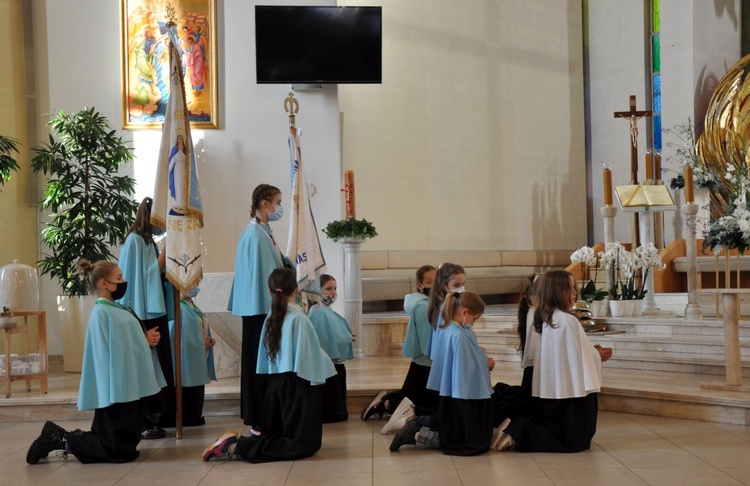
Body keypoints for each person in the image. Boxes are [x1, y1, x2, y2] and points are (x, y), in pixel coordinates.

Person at [26, 260, 162, 464]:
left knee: (124, 447)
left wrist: (145, 340)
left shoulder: (116, 309)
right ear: (103, 284)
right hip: (118, 389)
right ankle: (59, 438)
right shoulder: (102, 313)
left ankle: (62, 437)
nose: (123, 281)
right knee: (117, 450)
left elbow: (126, 342)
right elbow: (107, 354)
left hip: (130, 385)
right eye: (118, 278)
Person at [203, 268, 336, 463]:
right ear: (296, 289)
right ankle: (234, 447)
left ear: (270, 291)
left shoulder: (272, 315)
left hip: (277, 385)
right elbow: (309, 360)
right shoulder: (299, 318)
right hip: (297, 386)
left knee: (284, 438)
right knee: (302, 446)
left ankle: (238, 445)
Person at [494, 270, 613, 453]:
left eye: (575, 288)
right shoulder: (566, 320)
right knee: (574, 441)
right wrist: (597, 355)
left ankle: (518, 432)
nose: (574, 293)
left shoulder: (550, 316)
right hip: (572, 392)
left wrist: (591, 351)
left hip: (557, 389)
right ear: (556, 291)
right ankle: (518, 432)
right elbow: (578, 359)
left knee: (566, 436)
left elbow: (572, 353)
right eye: (569, 288)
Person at [390, 291, 493, 456]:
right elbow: (465, 368)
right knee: (471, 442)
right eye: (475, 319)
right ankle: (418, 435)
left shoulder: (449, 328)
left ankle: (417, 424)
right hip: (466, 394)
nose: (473, 323)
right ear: (464, 312)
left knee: (458, 430)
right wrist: (484, 361)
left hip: (453, 393)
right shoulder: (459, 334)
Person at [362, 264, 465, 423]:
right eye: (430, 282)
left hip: (431, 363)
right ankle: (382, 405)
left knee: (416, 398)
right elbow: (427, 342)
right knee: (416, 401)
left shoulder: (437, 303)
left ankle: (386, 402)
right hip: (427, 362)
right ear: (420, 285)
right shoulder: (423, 306)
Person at [228, 184, 289, 431]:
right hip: (259, 310)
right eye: (278, 201)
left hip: (262, 309)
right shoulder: (254, 234)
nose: (279, 207)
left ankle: (267, 414)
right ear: (265, 203)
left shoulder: (263, 231)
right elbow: (264, 275)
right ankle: (259, 416)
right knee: (259, 365)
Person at [118, 197, 172, 439]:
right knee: (149, 366)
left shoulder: (148, 241)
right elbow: (135, 278)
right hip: (141, 311)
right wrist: (164, 257)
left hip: (154, 310)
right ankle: (145, 420)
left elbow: (154, 274)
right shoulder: (134, 241)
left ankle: (159, 415)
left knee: (160, 365)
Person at [491, 274, 541, 428]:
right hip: (535, 366)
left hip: (533, 367)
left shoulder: (534, 312)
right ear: (532, 298)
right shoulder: (535, 313)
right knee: (527, 403)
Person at [308, 274, 354, 423]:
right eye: (328, 288)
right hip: (328, 363)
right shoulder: (319, 311)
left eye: (334, 288)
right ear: (318, 291)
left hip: (335, 363)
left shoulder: (326, 310)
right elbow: (322, 338)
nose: (332, 292)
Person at [168, 288, 217, 426]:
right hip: (185, 357)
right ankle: (187, 417)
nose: (194, 286)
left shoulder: (192, 306)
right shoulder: (177, 307)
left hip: (196, 353)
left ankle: (194, 415)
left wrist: (206, 340)